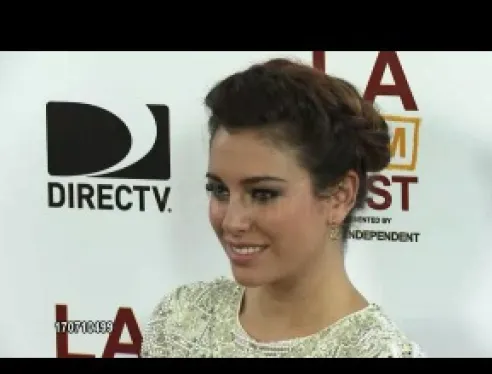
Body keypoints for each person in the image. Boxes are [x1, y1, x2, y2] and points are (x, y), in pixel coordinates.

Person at [141, 57, 425, 358]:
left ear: (340, 196)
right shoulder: (180, 320)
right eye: (219, 190)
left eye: (263, 194)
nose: (232, 222)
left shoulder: (380, 353)